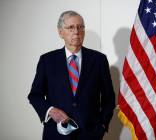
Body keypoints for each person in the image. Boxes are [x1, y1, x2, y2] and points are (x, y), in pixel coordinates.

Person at [28, 10, 115, 140]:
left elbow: (109, 97)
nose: (76, 31)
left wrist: (102, 125)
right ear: (60, 32)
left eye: (80, 27)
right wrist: (51, 111)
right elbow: (35, 95)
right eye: (71, 27)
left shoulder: (99, 60)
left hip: (90, 134)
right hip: (56, 135)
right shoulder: (47, 60)